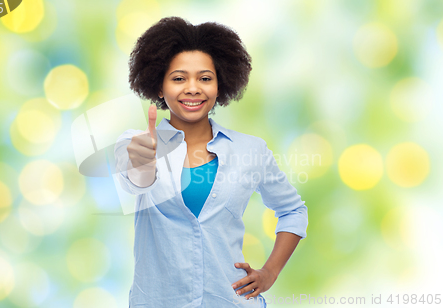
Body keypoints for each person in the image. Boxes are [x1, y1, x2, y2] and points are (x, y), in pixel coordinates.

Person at [114, 16, 308, 308]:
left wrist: (269, 273)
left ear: (220, 85)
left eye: (205, 78)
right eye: (179, 78)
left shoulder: (249, 150)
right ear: (158, 86)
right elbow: (137, 182)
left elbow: (293, 210)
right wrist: (143, 163)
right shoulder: (137, 143)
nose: (193, 88)